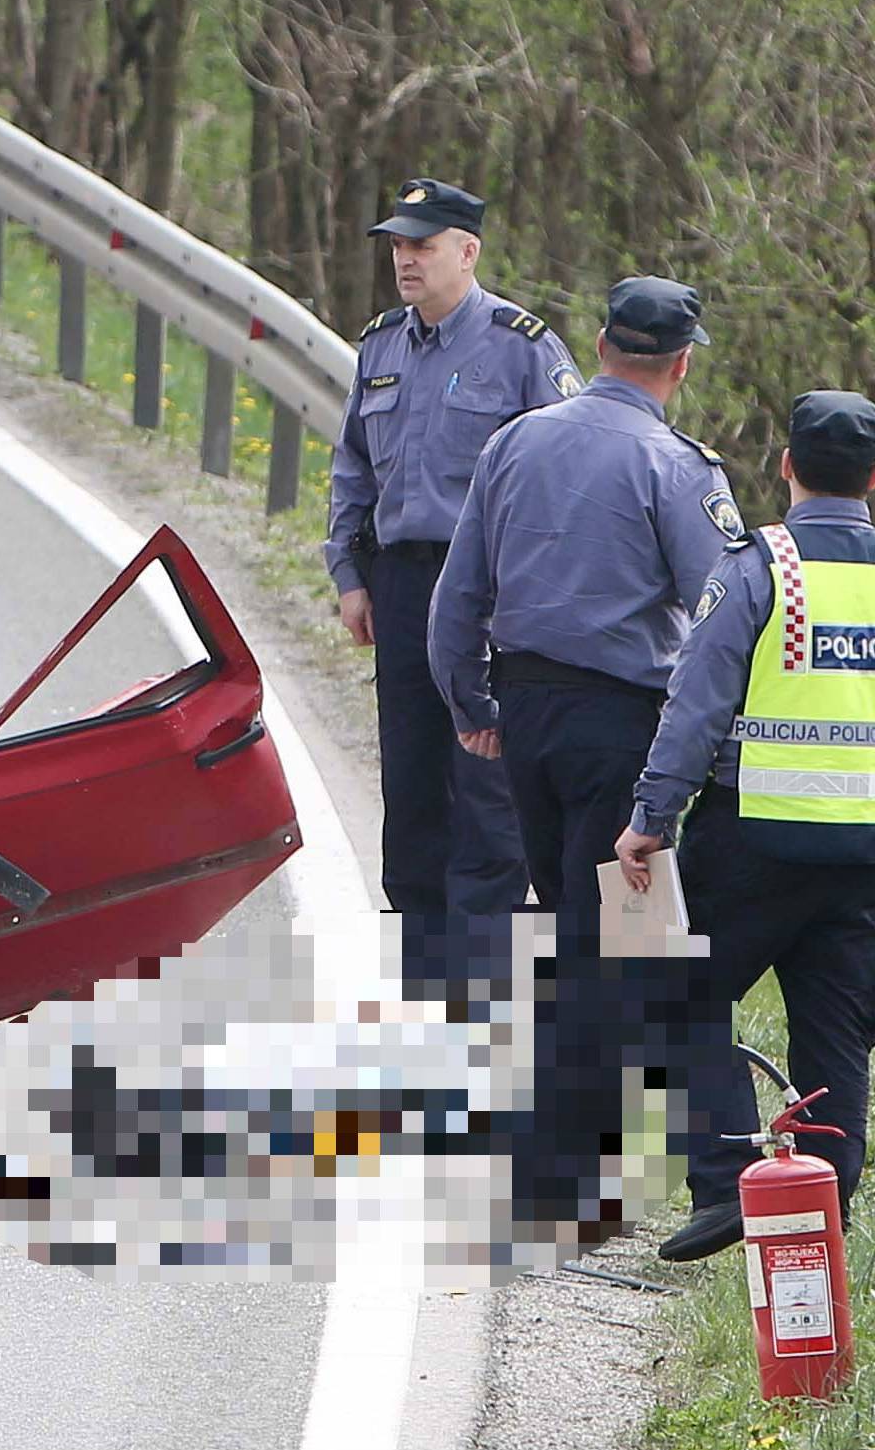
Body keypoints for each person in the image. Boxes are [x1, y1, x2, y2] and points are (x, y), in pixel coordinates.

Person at [617, 391, 875, 1263]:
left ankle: (730, 1180)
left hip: (753, 838)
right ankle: (821, 1216)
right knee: (834, 1030)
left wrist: (652, 815)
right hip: (862, 853)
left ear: (785, 465)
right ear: (874, 479)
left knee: (678, 989)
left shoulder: (762, 565)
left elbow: (697, 702)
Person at [428, 276, 741, 907]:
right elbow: (722, 619)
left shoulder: (513, 441)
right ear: (682, 364)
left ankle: (552, 1007)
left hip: (524, 709)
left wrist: (472, 706)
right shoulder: (679, 467)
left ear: (600, 344)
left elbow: (456, 597)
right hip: (622, 721)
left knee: (556, 898)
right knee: (616, 926)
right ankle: (580, 1009)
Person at [325, 178, 580, 913]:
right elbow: (353, 465)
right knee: (409, 766)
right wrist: (349, 572)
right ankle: (413, 924)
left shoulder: (522, 348)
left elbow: (566, 473)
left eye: (423, 245)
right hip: (402, 579)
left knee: (483, 766)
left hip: (490, 587)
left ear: (467, 253)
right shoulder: (380, 343)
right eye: (399, 245)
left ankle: (482, 941)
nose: (407, 260)